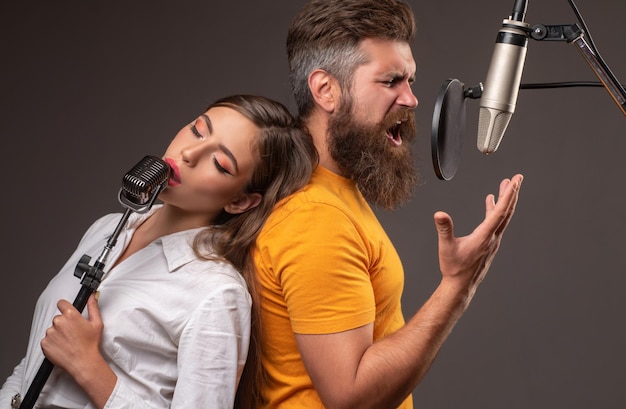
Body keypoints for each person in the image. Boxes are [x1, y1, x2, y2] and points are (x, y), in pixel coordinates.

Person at [252, 1, 524, 408]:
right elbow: (351, 398)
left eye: (410, 80)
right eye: (391, 81)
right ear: (326, 90)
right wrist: (458, 287)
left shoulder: (335, 189)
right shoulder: (314, 219)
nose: (411, 99)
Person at [0, 94, 318, 409]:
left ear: (240, 201)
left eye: (220, 163)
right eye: (197, 130)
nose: (190, 153)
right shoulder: (107, 228)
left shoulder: (217, 293)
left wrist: (90, 368)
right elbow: (34, 361)